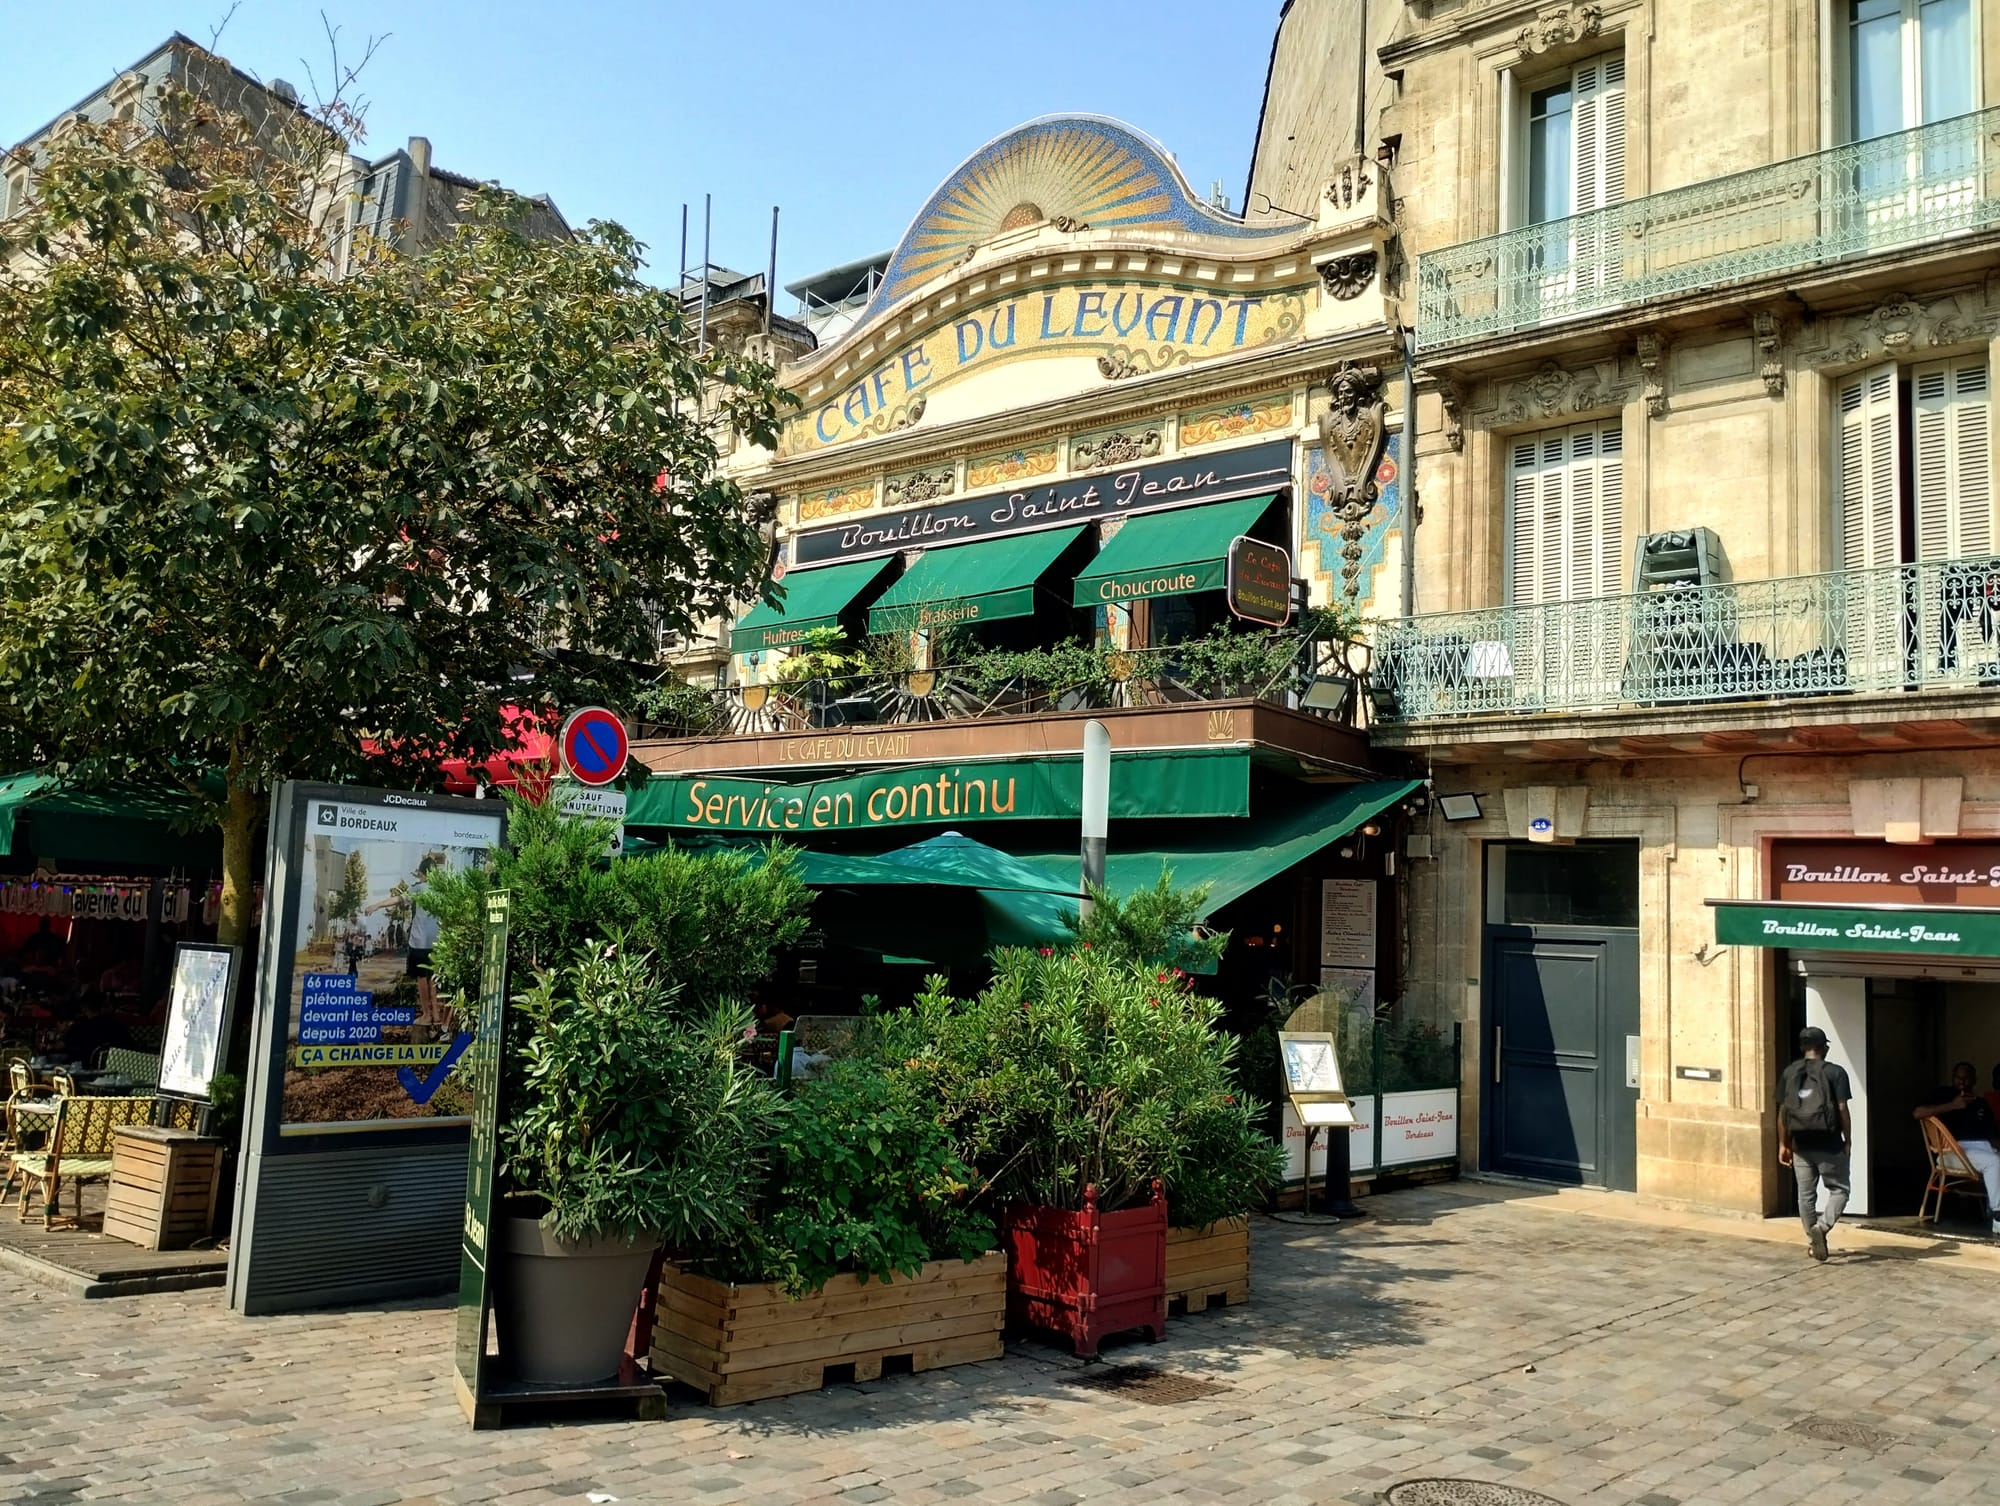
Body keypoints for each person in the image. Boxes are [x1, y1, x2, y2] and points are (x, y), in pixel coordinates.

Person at [1776, 1026, 1853, 1263]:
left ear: (1802, 1048)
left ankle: (1813, 1240)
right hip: (1828, 1143)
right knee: (1840, 1189)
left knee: (1805, 1195)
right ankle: (1823, 1226)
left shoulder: (1790, 1072)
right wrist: (1848, 1140)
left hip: (1800, 1143)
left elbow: (1782, 1112)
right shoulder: (1836, 1073)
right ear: (1824, 1048)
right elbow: (1842, 1109)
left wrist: (1783, 1144)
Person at [1914, 1062, 2000, 1235]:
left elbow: (1993, 1136)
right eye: (1958, 1078)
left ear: (1974, 1080)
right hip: (1953, 1151)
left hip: (1983, 1148)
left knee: (1993, 1158)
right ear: (1952, 1078)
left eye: (1966, 1078)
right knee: (1993, 1162)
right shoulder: (1944, 1095)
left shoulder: (1981, 1103)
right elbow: (1917, 1113)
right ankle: (1998, 1217)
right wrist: (1952, 1106)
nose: (1962, 1082)